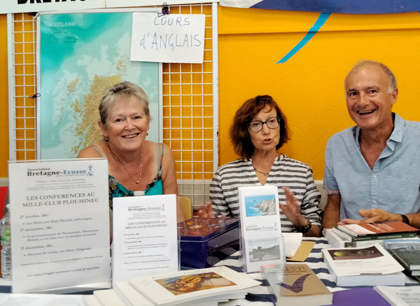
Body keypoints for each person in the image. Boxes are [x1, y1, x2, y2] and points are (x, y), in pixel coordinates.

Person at [322, 60, 420, 236]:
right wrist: (332, 242)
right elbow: (333, 205)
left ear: (393, 95)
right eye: (353, 93)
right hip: (353, 252)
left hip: (411, 253)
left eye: (372, 91)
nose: (362, 102)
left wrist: (398, 221)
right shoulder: (336, 144)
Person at [198, 95, 322, 237]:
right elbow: (218, 236)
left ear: (280, 125)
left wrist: (300, 221)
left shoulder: (301, 172)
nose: (266, 131)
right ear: (245, 132)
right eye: (256, 124)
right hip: (242, 255)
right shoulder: (224, 176)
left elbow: (317, 233)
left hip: (291, 257)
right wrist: (210, 226)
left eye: (271, 121)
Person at [78, 81, 185, 223]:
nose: (129, 126)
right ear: (103, 128)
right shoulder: (91, 160)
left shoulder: (163, 155)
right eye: (119, 120)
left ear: (147, 121)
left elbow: (176, 217)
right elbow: (85, 224)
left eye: (136, 117)